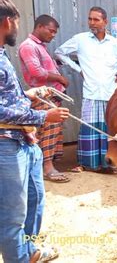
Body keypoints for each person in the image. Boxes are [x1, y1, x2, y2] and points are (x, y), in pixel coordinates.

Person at [0, 0, 70, 261]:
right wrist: (43, 116)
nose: (17, 27)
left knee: (34, 203)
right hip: (6, 145)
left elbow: (6, 98)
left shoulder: (2, 55)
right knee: (12, 215)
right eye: (16, 22)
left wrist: (28, 94)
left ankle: (29, 251)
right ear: (8, 22)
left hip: (23, 142)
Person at [55, 6, 117, 174]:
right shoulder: (80, 39)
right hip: (91, 93)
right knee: (89, 128)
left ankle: (109, 164)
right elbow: (60, 53)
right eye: (90, 19)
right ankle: (88, 164)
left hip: (110, 94)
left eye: (96, 19)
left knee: (109, 130)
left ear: (105, 22)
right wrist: (78, 69)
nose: (92, 23)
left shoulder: (115, 44)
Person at [18, 14, 70, 183]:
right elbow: (37, 73)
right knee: (48, 130)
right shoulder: (28, 46)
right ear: (39, 26)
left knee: (51, 131)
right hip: (43, 97)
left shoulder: (40, 47)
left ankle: (45, 166)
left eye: (55, 32)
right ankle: (47, 168)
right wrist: (59, 78)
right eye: (51, 31)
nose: (53, 35)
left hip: (50, 96)